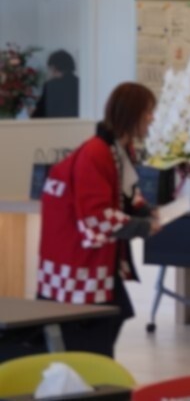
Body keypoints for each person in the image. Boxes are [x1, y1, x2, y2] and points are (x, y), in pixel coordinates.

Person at [37, 82, 160, 356]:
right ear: (132, 114)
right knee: (90, 338)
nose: (152, 118)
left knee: (111, 320)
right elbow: (96, 215)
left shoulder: (119, 149)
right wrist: (142, 226)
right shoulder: (96, 153)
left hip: (96, 261)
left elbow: (125, 193)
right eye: (148, 112)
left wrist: (145, 211)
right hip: (78, 262)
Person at [32, 49, 79, 117]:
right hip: (78, 123)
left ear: (53, 67)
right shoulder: (79, 84)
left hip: (55, 123)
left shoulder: (50, 86)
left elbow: (39, 114)